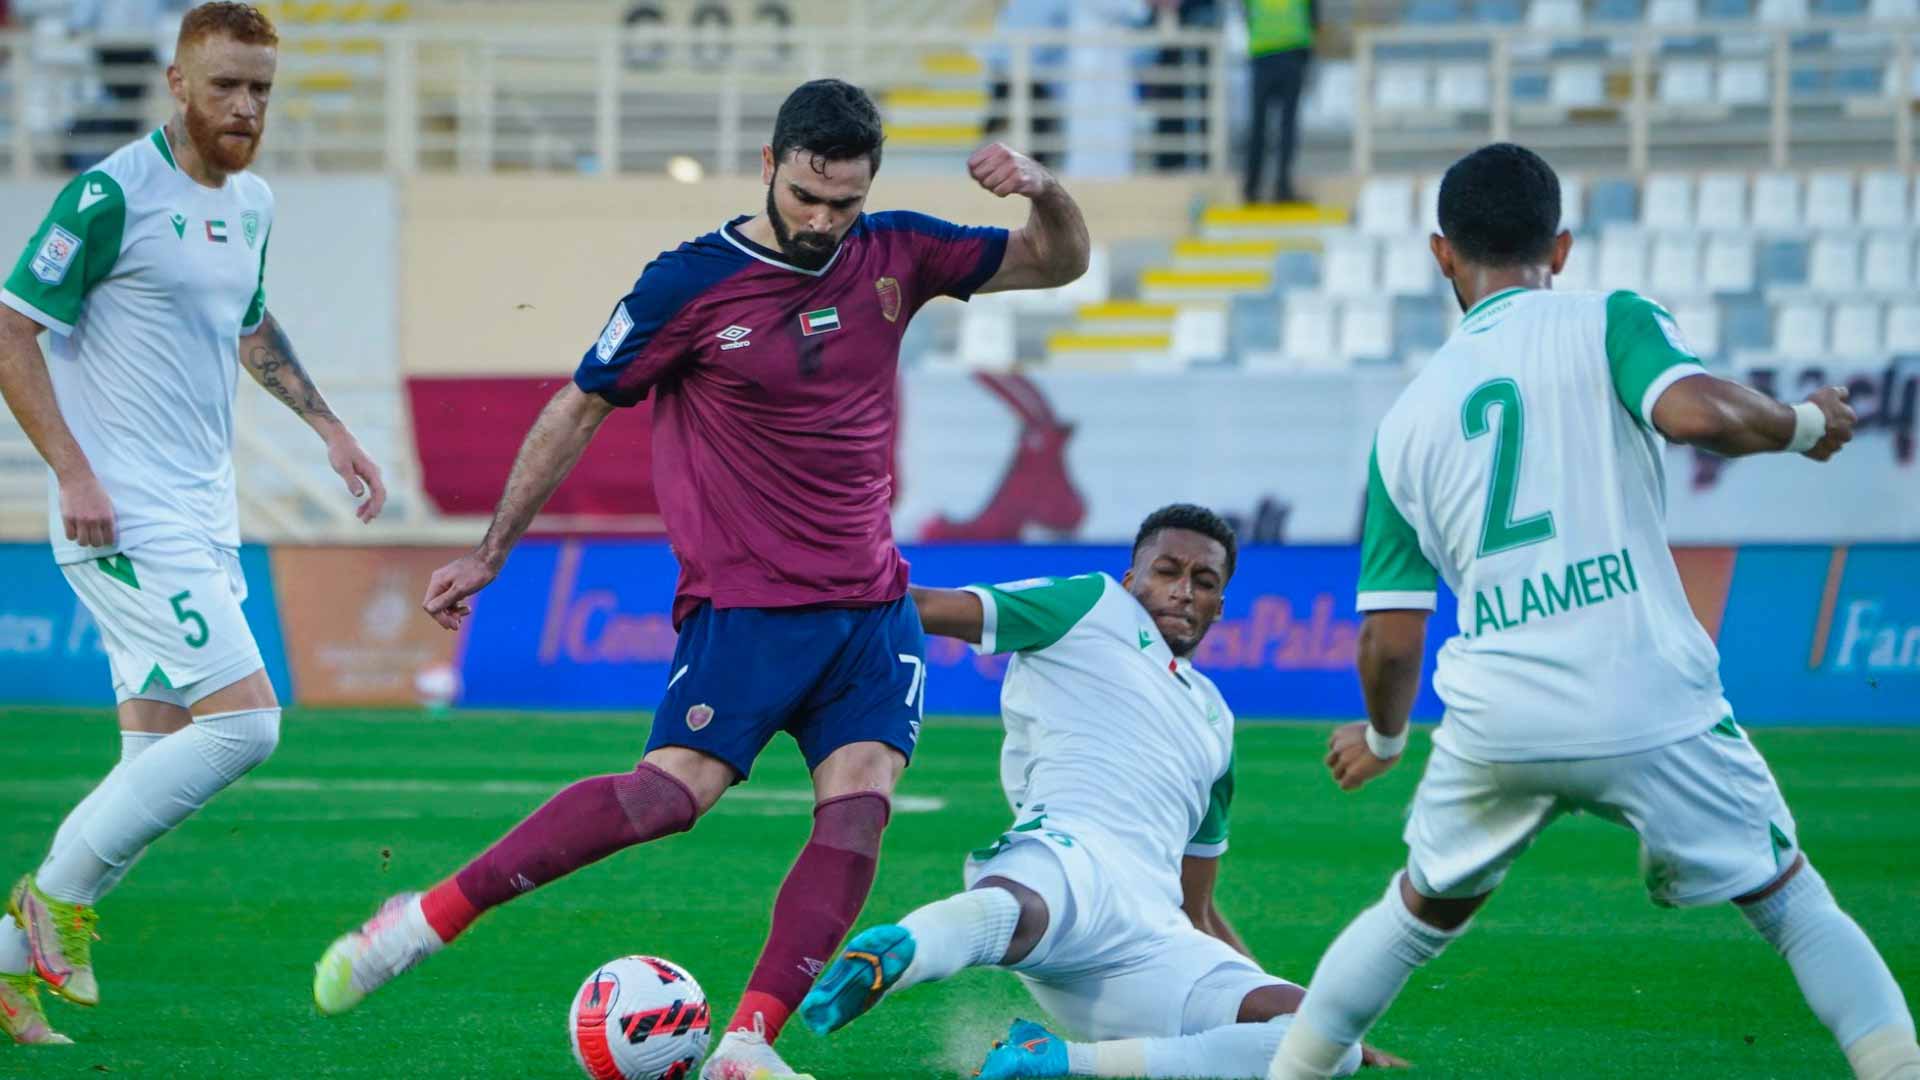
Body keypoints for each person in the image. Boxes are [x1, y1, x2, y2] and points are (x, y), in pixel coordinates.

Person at [309, 79, 1090, 1080]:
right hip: (748, 607)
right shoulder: (687, 285)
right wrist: (492, 549)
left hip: (871, 605)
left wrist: (1043, 189)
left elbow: (1057, 259)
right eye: (806, 195)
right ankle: (423, 920)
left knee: (860, 806)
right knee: (669, 798)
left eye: (843, 202)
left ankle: (745, 1047)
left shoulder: (898, 251)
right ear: (769, 166)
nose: (821, 220)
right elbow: (579, 406)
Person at [1265, 143, 1920, 1080]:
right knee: (1791, 903)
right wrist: (1805, 426)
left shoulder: (1402, 424)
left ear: (1441, 253)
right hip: (1644, 690)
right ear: (1561, 248)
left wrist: (1387, 737)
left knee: (1414, 915)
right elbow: (1697, 414)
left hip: (1500, 715)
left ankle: (1288, 1073)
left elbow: (1389, 636)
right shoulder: (1608, 319)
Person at [0, 2, 386, 1047]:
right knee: (249, 723)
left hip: (201, 516)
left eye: (261, 85)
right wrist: (73, 470)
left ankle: (2, 966)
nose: (246, 105)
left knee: (151, 766)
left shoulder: (251, 202)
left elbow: (250, 321)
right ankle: (48, 908)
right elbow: (10, 328)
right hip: (122, 514)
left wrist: (330, 428)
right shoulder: (109, 195)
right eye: (225, 84)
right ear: (177, 83)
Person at [799, 505, 1404, 1079]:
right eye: (1167, 571)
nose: (1183, 590)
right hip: (1066, 857)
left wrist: (1317, 1023)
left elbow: (1197, 909)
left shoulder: (1217, 722)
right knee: (1023, 906)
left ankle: (1058, 1061)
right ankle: (899, 954)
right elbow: (929, 606)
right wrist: (805, 595)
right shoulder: (1089, 605)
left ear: (1221, 603)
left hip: (1149, 944)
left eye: (1204, 580)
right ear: (1131, 577)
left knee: (1324, 1047)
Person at [1241, 0, 1315, 204]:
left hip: (1264, 51)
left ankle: (1252, 187)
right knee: (1286, 125)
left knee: (1259, 125)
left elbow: (1245, 12)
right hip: (1291, 51)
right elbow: (1313, 14)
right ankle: (1282, 187)